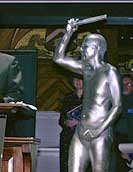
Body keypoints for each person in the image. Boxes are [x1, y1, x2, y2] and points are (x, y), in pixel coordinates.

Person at [53, 18, 121, 172]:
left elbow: (117, 106)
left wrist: (99, 130)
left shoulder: (109, 72)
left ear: (97, 49)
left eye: (86, 47)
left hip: (100, 133)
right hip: (80, 132)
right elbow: (58, 58)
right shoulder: (85, 69)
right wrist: (69, 32)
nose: (82, 50)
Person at [59, 77, 83, 172]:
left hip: (84, 137)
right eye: (75, 79)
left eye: (80, 79)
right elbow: (61, 119)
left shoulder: (91, 98)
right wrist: (66, 122)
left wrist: (78, 123)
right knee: (66, 166)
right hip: (68, 136)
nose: (77, 82)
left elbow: (96, 119)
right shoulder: (68, 97)